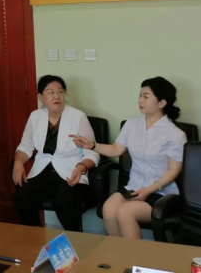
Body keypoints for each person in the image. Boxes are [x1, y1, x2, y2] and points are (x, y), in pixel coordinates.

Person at [72, 76, 186, 239]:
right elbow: (116, 149)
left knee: (126, 212)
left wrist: (150, 189)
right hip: (134, 188)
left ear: (161, 103)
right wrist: (92, 145)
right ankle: (119, 252)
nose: (140, 100)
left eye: (146, 96)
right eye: (140, 95)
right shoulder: (132, 124)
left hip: (161, 193)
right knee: (109, 208)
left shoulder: (175, 134)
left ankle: (135, 255)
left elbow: (174, 170)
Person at [12, 76, 99, 232]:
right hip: (43, 170)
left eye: (60, 91)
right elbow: (25, 146)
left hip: (71, 172)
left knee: (65, 200)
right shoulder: (35, 116)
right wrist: (18, 162)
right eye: (50, 92)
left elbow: (92, 153)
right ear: (41, 97)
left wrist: (81, 167)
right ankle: (33, 234)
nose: (56, 96)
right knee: (23, 196)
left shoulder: (77, 117)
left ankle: (74, 239)